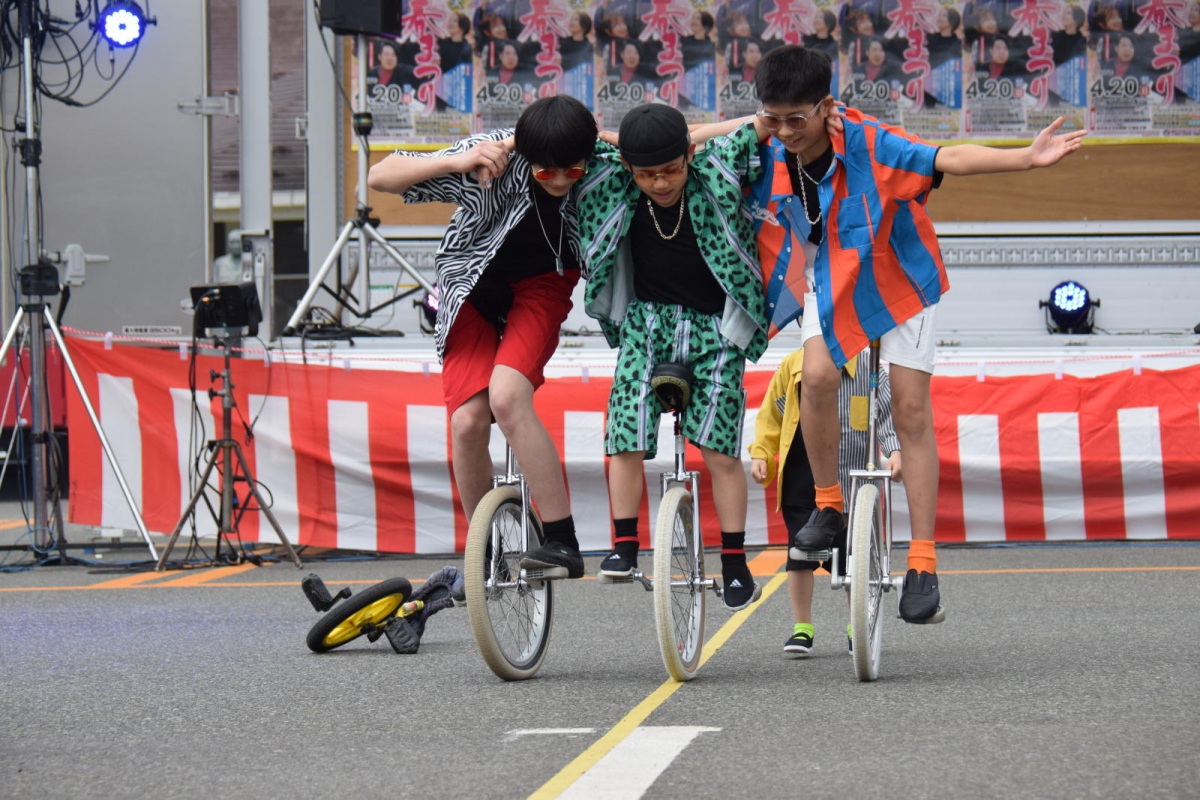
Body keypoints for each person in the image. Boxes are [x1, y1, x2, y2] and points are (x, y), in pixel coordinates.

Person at [727, 45, 1085, 624]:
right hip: (832, 276)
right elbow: (678, 142)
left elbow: (948, 156)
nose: (788, 131)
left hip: (898, 281)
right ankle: (828, 506)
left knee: (912, 412)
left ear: (827, 107)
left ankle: (922, 561)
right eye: (775, 117)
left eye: (799, 118)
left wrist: (1024, 159)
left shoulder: (868, 141)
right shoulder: (764, 143)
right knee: (814, 378)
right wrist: (754, 124)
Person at [366, 96, 599, 579]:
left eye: (571, 173)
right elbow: (380, 176)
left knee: (509, 400)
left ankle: (562, 541)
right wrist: (459, 158)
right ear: (528, 160)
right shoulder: (490, 159)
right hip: (470, 287)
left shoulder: (595, 157)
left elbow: (674, 143)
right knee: (468, 423)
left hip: (542, 285)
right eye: (545, 172)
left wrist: (761, 120)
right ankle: (487, 550)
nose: (559, 182)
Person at [575, 103, 770, 612]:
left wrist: (699, 134)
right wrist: (623, 143)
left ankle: (733, 562)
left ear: (690, 156)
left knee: (721, 451)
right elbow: (586, 142)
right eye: (646, 174)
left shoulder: (714, 173)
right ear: (629, 169)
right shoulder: (618, 184)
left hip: (715, 331)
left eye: (670, 170)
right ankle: (622, 545)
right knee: (624, 434)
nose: (659, 184)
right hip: (646, 325)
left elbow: (758, 127)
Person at [749, 348, 900, 655]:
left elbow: (885, 415)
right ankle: (802, 627)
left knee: (851, 556)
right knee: (798, 553)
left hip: (851, 479)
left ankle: (855, 624)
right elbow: (772, 414)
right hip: (801, 474)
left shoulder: (870, 371)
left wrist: (894, 449)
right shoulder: (794, 365)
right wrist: (761, 452)